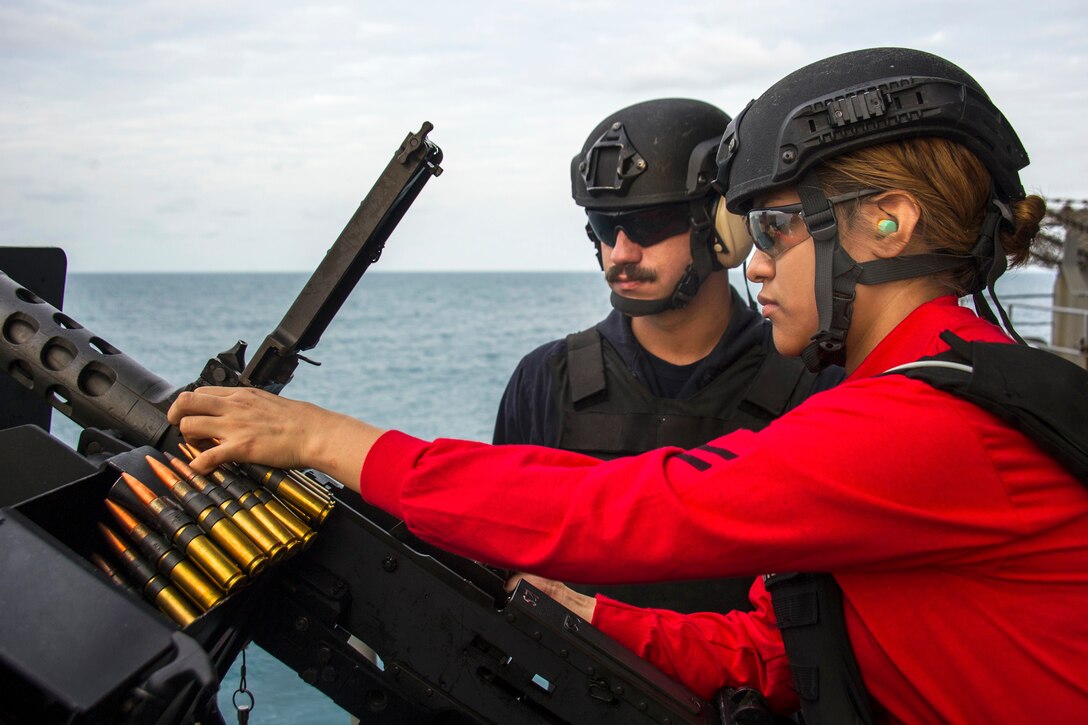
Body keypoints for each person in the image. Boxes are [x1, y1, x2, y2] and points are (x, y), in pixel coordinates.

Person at [169, 47, 1088, 723]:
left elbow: (638, 507)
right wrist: (593, 615)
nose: (754, 263)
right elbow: (774, 648)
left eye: (774, 230)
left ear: (888, 222)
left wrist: (325, 439)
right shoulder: (916, 394)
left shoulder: (927, 421)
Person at [493, 98, 842, 614]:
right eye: (605, 228)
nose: (621, 254)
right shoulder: (546, 380)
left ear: (724, 229)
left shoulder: (818, 387)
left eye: (650, 224)